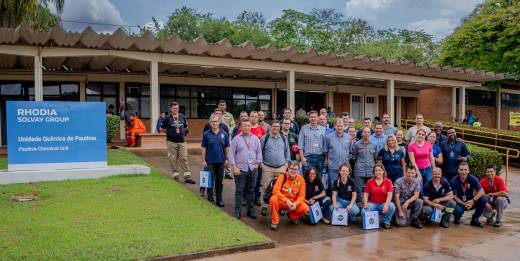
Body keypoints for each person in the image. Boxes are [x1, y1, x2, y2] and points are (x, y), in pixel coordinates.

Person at [229, 120, 263, 219]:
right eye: (245, 126)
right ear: (241, 127)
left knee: (251, 190)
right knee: (239, 190)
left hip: (253, 169)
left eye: (248, 126)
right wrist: (234, 167)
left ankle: (250, 211)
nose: (247, 127)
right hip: (240, 169)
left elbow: (259, 152)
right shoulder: (236, 139)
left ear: (250, 127)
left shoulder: (256, 139)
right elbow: (231, 154)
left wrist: (257, 163)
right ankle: (237, 211)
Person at [260, 120, 290, 216]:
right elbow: (259, 151)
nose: (275, 128)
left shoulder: (283, 138)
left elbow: (287, 151)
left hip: (281, 168)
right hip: (267, 167)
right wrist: (261, 163)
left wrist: (286, 163)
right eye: (273, 126)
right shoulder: (265, 138)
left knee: (281, 188)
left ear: (280, 127)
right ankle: (264, 206)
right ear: (271, 127)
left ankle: (281, 206)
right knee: (266, 187)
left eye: (277, 126)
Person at [160, 102, 195, 184]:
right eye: (174, 108)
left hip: (182, 142)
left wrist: (184, 133)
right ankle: (176, 176)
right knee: (173, 159)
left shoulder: (182, 116)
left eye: (177, 108)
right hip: (171, 142)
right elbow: (161, 129)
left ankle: (187, 177)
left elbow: (186, 127)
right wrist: (169, 132)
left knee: (184, 158)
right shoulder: (167, 118)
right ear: (171, 109)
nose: (176, 110)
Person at [269, 161, 309, 230]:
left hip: (294, 203)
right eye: (292, 169)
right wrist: (286, 200)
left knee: (305, 208)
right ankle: (275, 221)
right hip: (282, 201)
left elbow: (302, 196)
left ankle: (292, 217)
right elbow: (275, 191)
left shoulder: (301, 180)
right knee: (273, 199)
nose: (293, 171)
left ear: (298, 171)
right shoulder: (282, 177)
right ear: (288, 169)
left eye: (295, 169)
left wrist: (295, 204)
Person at [200, 115, 229, 207]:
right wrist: (203, 160)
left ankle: (219, 199)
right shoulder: (206, 134)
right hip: (210, 161)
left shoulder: (224, 134)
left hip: (221, 161)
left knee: (219, 181)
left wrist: (227, 158)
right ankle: (210, 197)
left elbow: (227, 147)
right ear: (210, 123)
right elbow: (203, 148)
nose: (214, 123)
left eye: (216, 121)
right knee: (210, 180)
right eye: (213, 122)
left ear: (219, 122)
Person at [451, 162, 487, 227]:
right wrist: (463, 204)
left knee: (483, 198)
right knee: (457, 210)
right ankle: (457, 217)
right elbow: (454, 197)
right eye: (461, 170)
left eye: (465, 170)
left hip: (471, 202)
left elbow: (482, 191)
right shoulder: (454, 181)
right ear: (458, 171)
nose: (463, 172)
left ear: (468, 171)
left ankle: (475, 219)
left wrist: (473, 201)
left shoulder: (473, 178)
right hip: (459, 203)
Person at [362, 164, 396, 229]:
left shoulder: (388, 181)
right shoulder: (370, 181)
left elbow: (389, 195)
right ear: (374, 172)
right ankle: (370, 223)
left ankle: (386, 222)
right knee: (363, 211)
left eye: (380, 170)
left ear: (383, 171)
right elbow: (366, 194)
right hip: (372, 204)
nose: (378, 172)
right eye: (376, 171)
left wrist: (386, 205)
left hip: (383, 204)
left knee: (392, 206)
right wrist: (365, 203)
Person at [324, 120, 352, 194]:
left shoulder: (349, 137)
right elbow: (325, 151)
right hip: (333, 166)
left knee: (344, 186)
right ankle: (334, 203)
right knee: (333, 186)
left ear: (344, 127)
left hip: (344, 167)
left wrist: (347, 162)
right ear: (335, 126)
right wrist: (327, 160)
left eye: (341, 126)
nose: (339, 128)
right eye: (338, 126)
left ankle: (343, 201)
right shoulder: (328, 137)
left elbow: (350, 151)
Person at [351, 127, 378, 203]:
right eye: (365, 132)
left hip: (371, 171)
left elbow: (376, 158)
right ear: (362, 133)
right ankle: (359, 207)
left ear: (370, 133)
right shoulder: (357, 144)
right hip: (359, 171)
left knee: (371, 189)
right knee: (358, 189)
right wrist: (358, 165)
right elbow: (354, 158)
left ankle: (370, 206)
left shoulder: (374, 145)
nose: (366, 134)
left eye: (368, 132)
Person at [298, 111, 326, 175]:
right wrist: (302, 158)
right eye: (311, 117)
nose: (313, 118)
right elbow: (300, 145)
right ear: (309, 118)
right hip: (308, 158)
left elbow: (325, 145)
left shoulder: (323, 129)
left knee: (319, 179)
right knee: (307, 178)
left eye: (315, 117)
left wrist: (325, 158)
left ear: (318, 118)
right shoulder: (303, 128)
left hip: (319, 158)